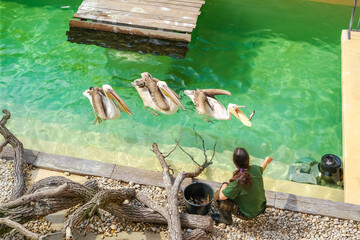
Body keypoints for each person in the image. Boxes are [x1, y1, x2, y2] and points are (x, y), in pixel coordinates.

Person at [212, 147, 273, 225]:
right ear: (248, 159)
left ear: (234, 162)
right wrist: (266, 160)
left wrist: (224, 184)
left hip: (248, 214)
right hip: (261, 208)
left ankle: (226, 219)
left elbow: (222, 196)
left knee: (217, 196)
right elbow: (262, 167)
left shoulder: (238, 181)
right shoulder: (256, 169)